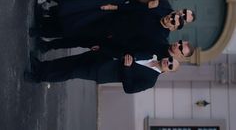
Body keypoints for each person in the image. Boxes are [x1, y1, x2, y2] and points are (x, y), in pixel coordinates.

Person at [25, 51, 179, 92]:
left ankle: (38, 77)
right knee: (71, 61)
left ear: (168, 71)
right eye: (170, 60)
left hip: (104, 72)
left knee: (72, 72)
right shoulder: (150, 54)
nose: (168, 62)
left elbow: (129, 88)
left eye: (170, 65)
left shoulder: (151, 80)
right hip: (104, 57)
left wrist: (127, 69)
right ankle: (41, 66)